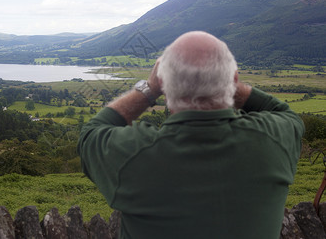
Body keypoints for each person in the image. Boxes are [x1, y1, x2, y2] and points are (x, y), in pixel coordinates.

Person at [78, 31, 304, 239]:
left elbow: (92, 132)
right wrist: (220, 81)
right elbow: (284, 113)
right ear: (234, 80)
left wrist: (150, 88)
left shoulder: (133, 156)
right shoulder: (273, 141)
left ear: (164, 84)